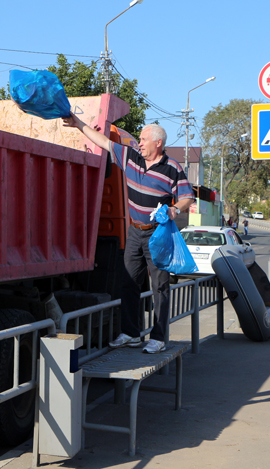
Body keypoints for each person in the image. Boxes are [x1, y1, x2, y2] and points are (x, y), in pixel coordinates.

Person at [63, 115, 194, 353]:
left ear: (158, 143)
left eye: (143, 140)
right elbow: (103, 142)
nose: (139, 143)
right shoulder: (130, 157)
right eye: (140, 139)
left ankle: (159, 338)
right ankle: (132, 333)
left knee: (160, 287)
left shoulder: (173, 168)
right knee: (129, 282)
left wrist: (175, 209)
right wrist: (77, 124)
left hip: (159, 234)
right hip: (135, 231)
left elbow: (187, 197)